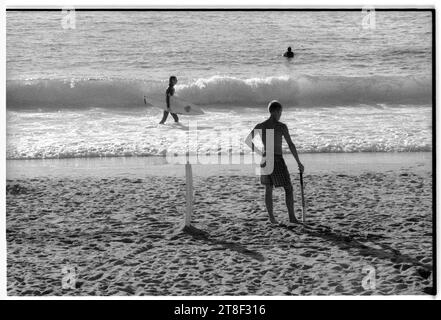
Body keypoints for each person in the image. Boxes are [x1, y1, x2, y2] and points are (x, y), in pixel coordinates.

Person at [245, 100, 304, 224]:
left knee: (268, 188)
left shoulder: (261, 125)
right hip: (276, 159)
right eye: (280, 112)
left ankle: (272, 218)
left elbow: (248, 140)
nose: (281, 114)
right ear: (276, 111)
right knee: (288, 188)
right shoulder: (281, 126)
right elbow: (291, 144)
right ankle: (292, 217)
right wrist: (298, 162)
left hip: (265, 158)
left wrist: (260, 153)